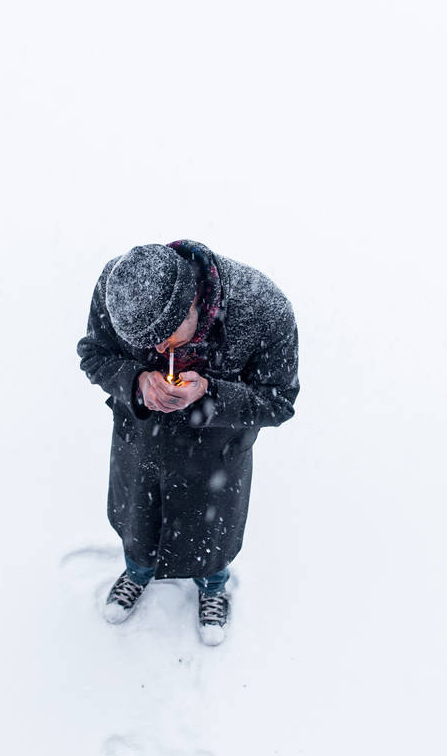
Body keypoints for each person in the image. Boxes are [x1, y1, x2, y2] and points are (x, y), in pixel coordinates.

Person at [76, 240, 299, 646]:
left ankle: (213, 587)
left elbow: (279, 401)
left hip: (216, 459)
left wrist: (211, 395)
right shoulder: (119, 286)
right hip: (141, 446)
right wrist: (137, 381)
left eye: (166, 339)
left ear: (195, 301)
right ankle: (137, 571)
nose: (160, 352)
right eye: (148, 345)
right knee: (138, 529)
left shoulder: (264, 308)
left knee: (210, 540)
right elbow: (94, 354)